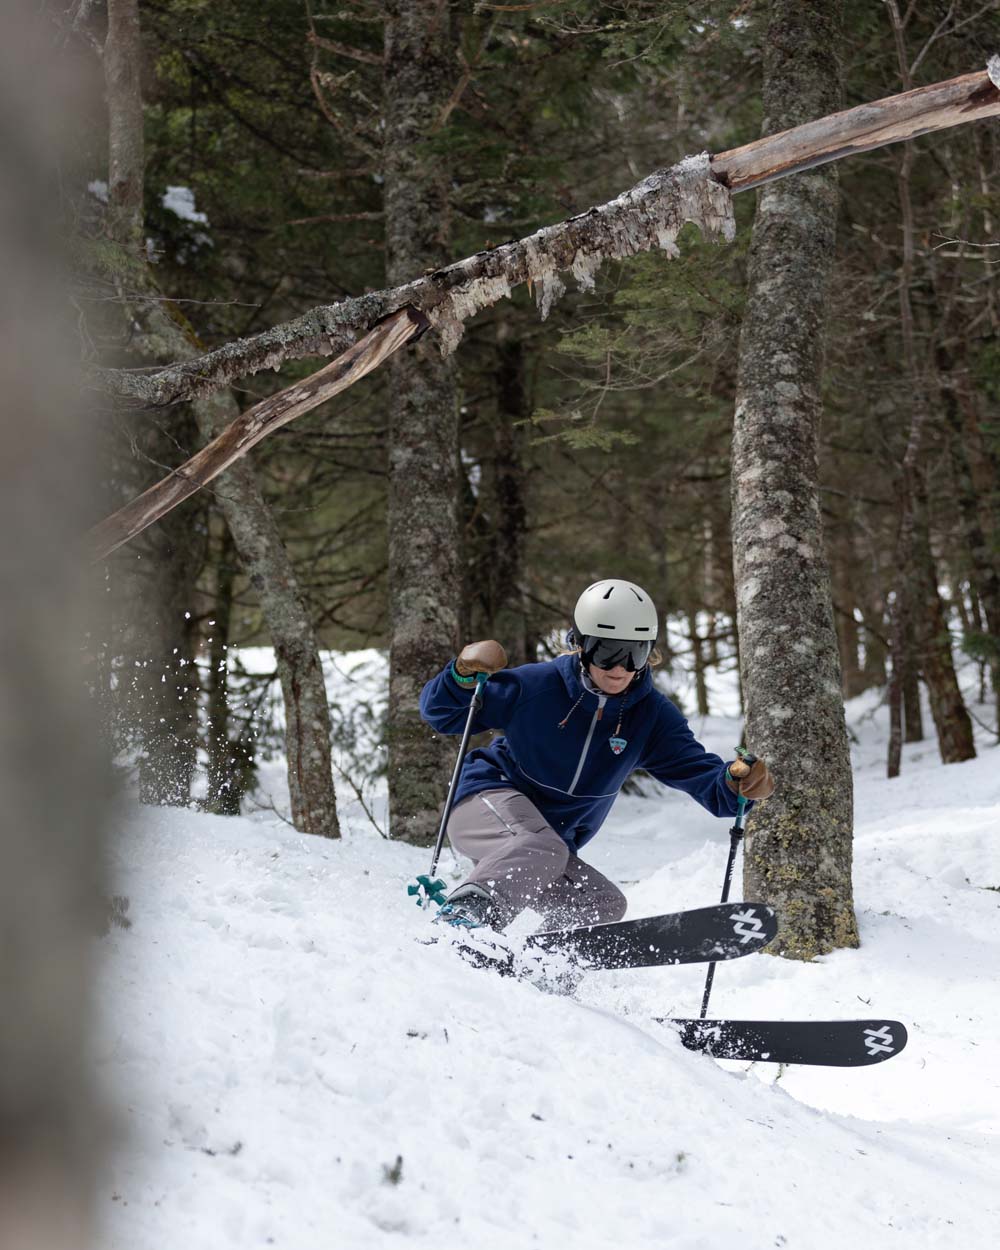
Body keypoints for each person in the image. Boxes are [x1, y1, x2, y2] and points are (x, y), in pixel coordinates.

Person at [418, 578, 773, 932]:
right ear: (581, 646)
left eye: (634, 654)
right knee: (542, 848)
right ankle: (461, 921)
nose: (619, 668)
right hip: (483, 804)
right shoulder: (536, 686)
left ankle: (542, 965)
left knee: (601, 902)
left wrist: (734, 784)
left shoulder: (652, 717)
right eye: (607, 652)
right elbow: (443, 714)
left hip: (543, 848)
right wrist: (461, 678)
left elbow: (711, 787)